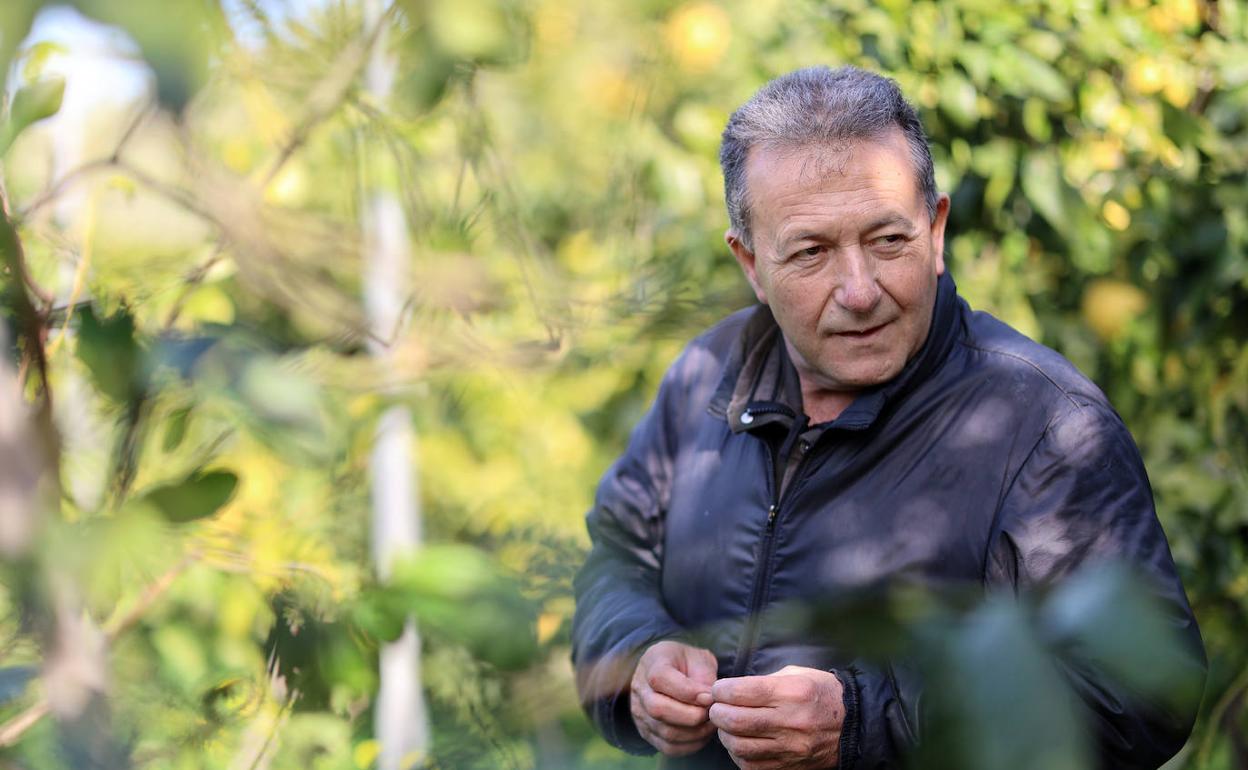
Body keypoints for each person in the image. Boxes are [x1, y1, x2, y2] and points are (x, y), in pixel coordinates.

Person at [570, 66, 1205, 770]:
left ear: (935, 230)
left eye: (888, 241)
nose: (860, 291)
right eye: (811, 252)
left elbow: (1142, 695)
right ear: (750, 262)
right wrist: (638, 658)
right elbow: (617, 556)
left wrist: (863, 721)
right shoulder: (706, 376)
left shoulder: (1045, 427)